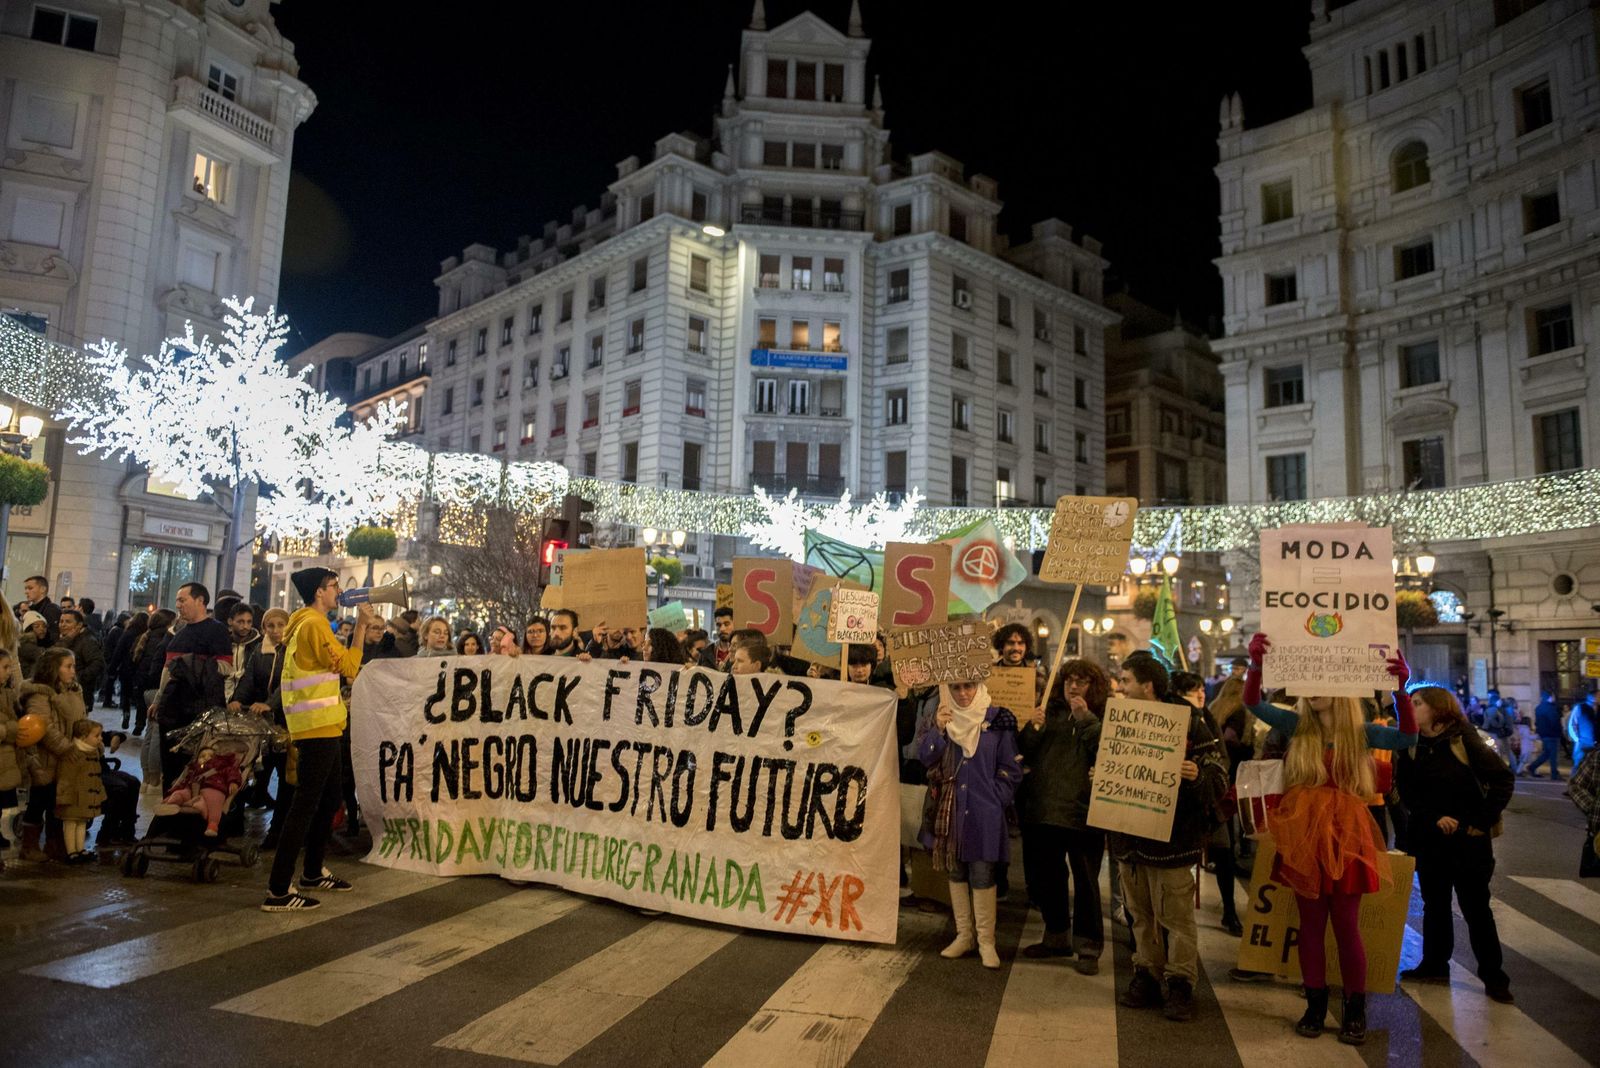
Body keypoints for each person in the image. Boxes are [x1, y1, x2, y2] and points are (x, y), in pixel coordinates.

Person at [1242, 634, 1416, 1044]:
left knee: (1346, 926)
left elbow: (1408, 738)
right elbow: (1252, 703)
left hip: (1346, 835)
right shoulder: (1295, 724)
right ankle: (1315, 1005)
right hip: (1304, 834)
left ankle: (1355, 1008)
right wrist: (1255, 665)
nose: (1312, 688)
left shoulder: (1363, 733)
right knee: (1311, 926)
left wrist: (1402, 690)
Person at [1111, 652, 1228, 1022]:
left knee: (1176, 918)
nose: (1121, 687)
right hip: (1129, 836)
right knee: (1140, 915)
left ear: (1147, 685)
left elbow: (1219, 776)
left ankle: (1180, 983)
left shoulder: (1192, 721)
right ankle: (1145, 973)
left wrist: (1196, 775)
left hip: (1172, 839)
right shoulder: (1119, 719)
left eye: (1126, 680)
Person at [263, 567, 378, 912]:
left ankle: (312, 872)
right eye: (333, 586)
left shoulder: (306, 623)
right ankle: (279, 889)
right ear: (318, 592)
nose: (338, 591)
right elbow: (348, 667)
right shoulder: (313, 624)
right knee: (305, 806)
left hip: (324, 724)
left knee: (329, 801)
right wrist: (360, 627)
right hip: (316, 726)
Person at [1395, 685, 1514, 1002]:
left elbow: (1503, 780)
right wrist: (1433, 816)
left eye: (1417, 703)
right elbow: (1406, 791)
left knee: (1476, 909)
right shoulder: (1410, 744)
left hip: (1468, 842)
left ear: (1437, 708)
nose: (1412, 707)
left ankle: (1493, 976)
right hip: (1430, 839)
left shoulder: (1464, 738)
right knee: (1435, 906)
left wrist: (1478, 823)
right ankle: (1434, 965)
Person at [919, 679, 1023, 969]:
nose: (963, 694)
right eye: (956, 688)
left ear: (980, 686)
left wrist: (995, 798)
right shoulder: (940, 716)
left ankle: (986, 941)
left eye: (969, 687)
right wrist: (938, 729)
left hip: (983, 811)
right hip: (950, 810)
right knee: (956, 872)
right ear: (947, 690)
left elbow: (1011, 769)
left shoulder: (997, 717)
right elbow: (925, 756)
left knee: (982, 873)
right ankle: (964, 936)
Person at [1017, 658, 1107, 972]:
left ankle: (1089, 946)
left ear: (1092, 686)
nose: (1073, 686)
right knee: (1049, 878)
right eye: (1069, 680)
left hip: (1084, 813)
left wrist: (1086, 720)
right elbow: (1026, 751)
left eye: (1081, 681)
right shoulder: (1050, 710)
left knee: (1086, 882)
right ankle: (1056, 935)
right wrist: (1033, 727)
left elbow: (1107, 754)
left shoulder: (1104, 715)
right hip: (1045, 809)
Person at [1172, 669, 1243, 936]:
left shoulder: (1208, 719)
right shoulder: (1174, 719)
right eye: (1193, 691)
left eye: (1202, 688)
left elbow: (1221, 758)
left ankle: (1230, 911)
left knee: (1224, 853)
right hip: (1183, 805)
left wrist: (1207, 775)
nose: (1201, 694)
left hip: (1211, 804)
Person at [150, 583, 231, 790]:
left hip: (198, 711)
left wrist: (190, 666)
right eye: (177, 600)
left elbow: (225, 667)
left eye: (182, 600)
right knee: (172, 770)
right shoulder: (179, 633)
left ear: (200, 601)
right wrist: (158, 700)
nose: (178, 605)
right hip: (171, 710)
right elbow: (167, 671)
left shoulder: (217, 631)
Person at [17, 647, 86, 862]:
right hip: (44, 759)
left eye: (73, 666)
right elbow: (45, 727)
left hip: (64, 760)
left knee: (59, 803)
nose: (73, 671)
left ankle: (54, 844)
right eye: (68, 666)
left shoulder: (73, 690)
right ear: (54, 669)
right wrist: (66, 748)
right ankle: (29, 846)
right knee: (40, 801)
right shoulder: (39, 694)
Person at [54, 718, 106, 862]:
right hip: (73, 798)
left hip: (85, 798)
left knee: (82, 823)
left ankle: (80, 849)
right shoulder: (73, 754)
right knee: (71, 823)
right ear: (83, 737)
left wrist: (99, 791)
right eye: (96, 736)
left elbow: (96, 776)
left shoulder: (93, 753)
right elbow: (65, 777)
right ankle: (71, 851)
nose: (100, 739)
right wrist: (64, 797)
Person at [131, 609, 175, 738]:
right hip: (154, 681)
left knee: (142, 705)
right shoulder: (164, 639)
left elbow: (134, 657)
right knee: (153, 723)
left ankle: (139, 724)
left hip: (142, 678)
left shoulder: (145, 636)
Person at [0, 649, 21, 871]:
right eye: (5, 667)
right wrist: (12, 730)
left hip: (6, 762)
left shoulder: (7, 693)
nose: (9, 672)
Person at [223, 601, 261, 701]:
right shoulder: (222, 644)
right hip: (223, 700)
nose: (245, 626)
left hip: (248, 702)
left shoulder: (259, 645)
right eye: (240, 621)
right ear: (230, 621)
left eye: (249, 622)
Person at [1526, 690, 1564, 781]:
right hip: (1552, 734)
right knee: (1553, 755)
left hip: (1544, 734)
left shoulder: (1539, 708)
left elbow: (1537, 722)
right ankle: (1554, 773)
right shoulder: (1551, 708)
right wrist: (1560, 731)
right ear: (1550, 697)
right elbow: (1554, 722)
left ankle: (1532, 767)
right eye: (1553, 696)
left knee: (1547, 753)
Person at [16, 574, 61, 644]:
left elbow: (53, 637)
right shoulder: (31, 609)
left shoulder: (52, 609)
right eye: (26, 589)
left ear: (43, 589)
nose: (26, 592)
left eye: (30, 588)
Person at [1569, 691, 1597, 769]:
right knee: (1578, 765)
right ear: (1591, 697)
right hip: (1583, 742)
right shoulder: (1580, 708)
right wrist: (1577, 739)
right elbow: (1572, 723)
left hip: (1595, 743)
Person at [18, 610, 48, 678]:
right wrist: (68, 638)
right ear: (29, 629)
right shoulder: (25, 645)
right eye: (37, 626)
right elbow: (48, 655)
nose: (42, 629)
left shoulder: (39, 642)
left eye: (44, 626)